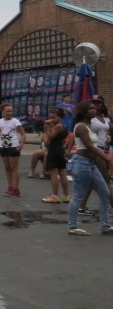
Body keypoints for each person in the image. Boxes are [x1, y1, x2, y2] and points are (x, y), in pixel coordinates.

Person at [67, 101, 112, 235]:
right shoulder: (81, 126)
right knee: (78, 196)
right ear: (83, 112)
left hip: (91, 164)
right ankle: (73, 227)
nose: (94, 110)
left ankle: (106, 226)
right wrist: (106, 158)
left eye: (94, 108)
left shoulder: (89, 125)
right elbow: (90, 146)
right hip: (81, 163)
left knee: (105, 193)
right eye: (90, 109)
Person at [0, 103, 26, 198]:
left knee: (14, 168)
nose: (9, 113)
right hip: (3, 147)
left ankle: (16, 189)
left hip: (13, 146)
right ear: (3, 111)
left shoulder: (15, 121)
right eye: (7, 111)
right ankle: (10, 187)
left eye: (11, 111)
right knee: (7, 168)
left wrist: (20, 145)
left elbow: (23, 134)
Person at [41, 109, 69, 204]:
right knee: (62, 173)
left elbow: (50, 137)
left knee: (54, 173)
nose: (51, 119)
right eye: (50, 117)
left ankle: (55, 195)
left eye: (54, 117)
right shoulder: (61, 126)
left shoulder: (58, 126)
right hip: (59, 149)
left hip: (55, 150)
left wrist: (48, 126)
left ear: (59, 117)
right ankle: (66, 196)